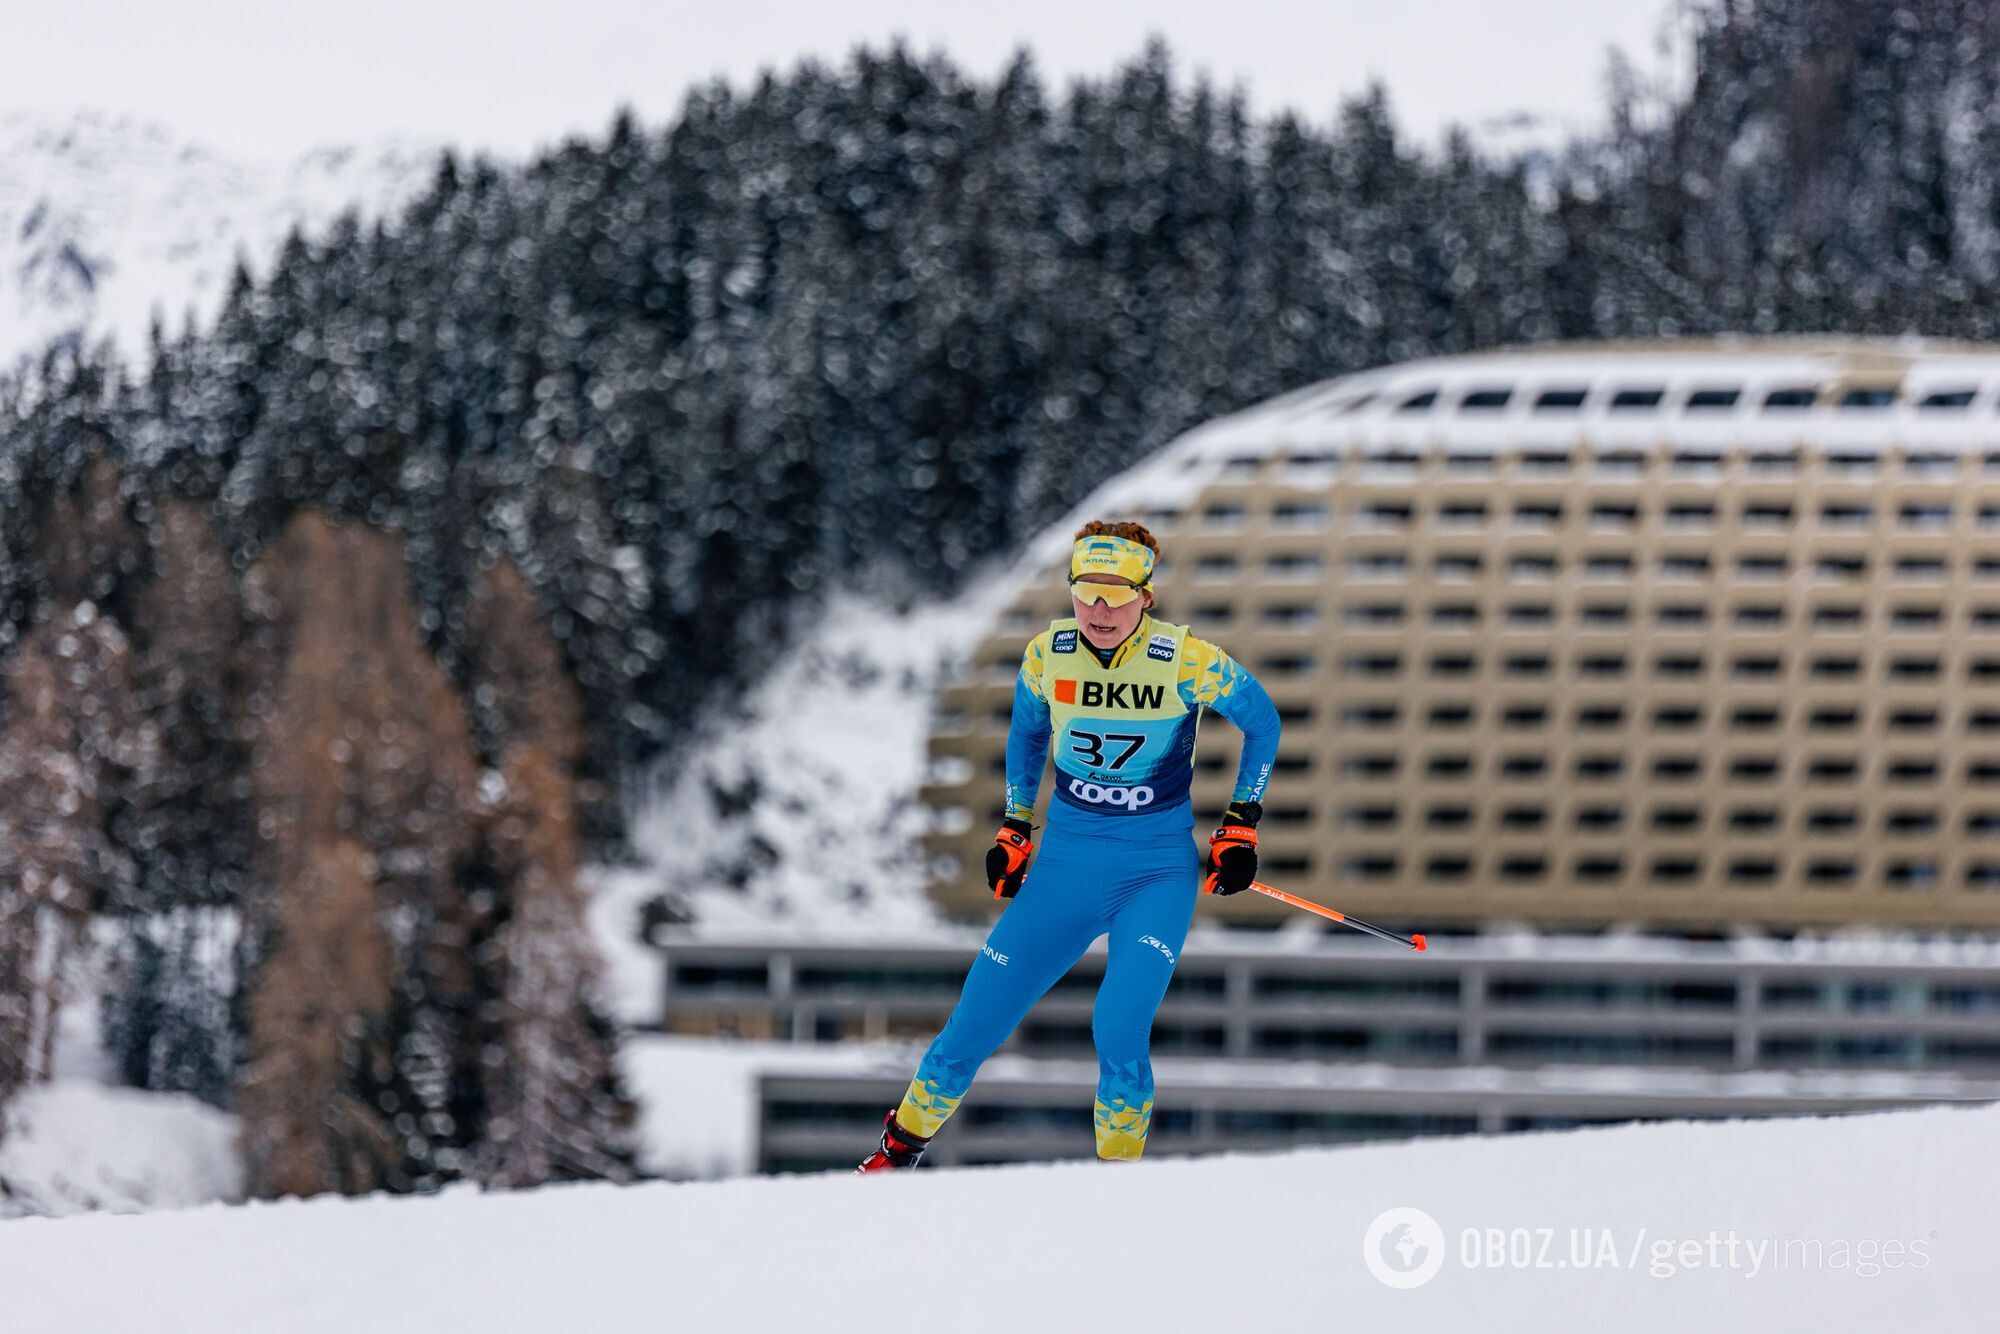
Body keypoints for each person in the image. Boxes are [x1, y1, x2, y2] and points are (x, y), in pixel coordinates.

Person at [858, 519, 1281, 1171]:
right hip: (1064, 870)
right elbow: (1028, 737)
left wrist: (1242, 822)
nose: (1101, 609)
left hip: (1154, 873)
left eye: (1117, 592)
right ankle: (892, 1156)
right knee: (973, 1022)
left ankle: (1116, 1190)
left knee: (1118, 1027)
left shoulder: (1186, 658)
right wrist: (1015, 825)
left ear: (1147, 594)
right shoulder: (1046, 654)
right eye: (1087, 591)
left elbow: (1263, 721)